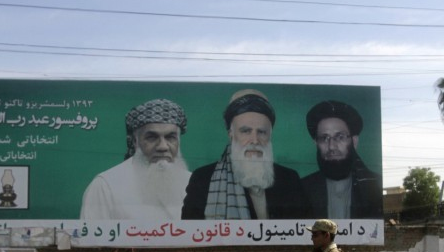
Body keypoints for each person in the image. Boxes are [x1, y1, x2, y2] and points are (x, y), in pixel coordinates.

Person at [181, 89, 308, 219]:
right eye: (246, 131)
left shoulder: (289, 180)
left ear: (270, 135)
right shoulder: (203, 179)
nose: (254, 140)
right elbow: (189, 233)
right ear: (231, 134)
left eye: (262, 132)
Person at [80, 98, 191, 220]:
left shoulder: (194, 183)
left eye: (170, 137)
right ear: (134, 141)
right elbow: (90, 238)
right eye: (152, 137)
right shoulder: (105, 186)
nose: (163, 147)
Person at [302, 100, 383, 219]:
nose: (331, 146)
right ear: (316, 143)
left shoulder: (374, 186)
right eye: (324, 138)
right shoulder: (302, 188)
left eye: (340, 137)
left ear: (354, 142)